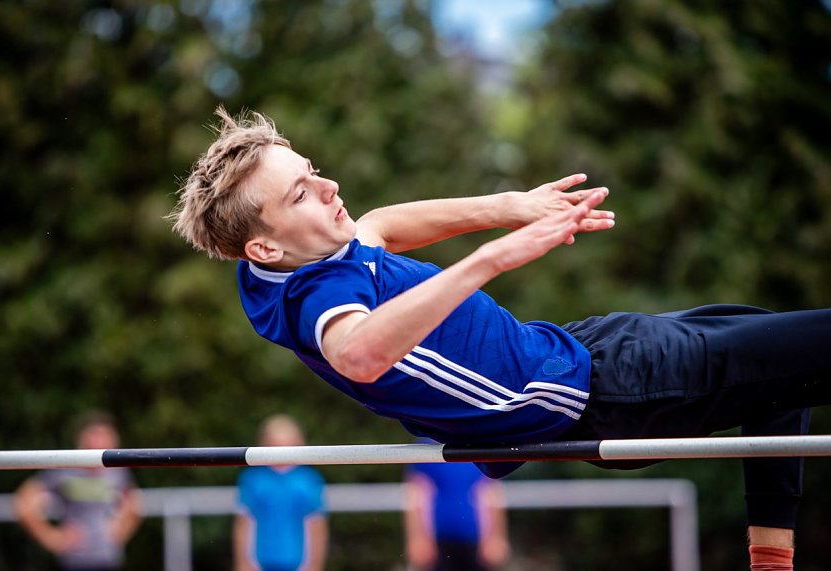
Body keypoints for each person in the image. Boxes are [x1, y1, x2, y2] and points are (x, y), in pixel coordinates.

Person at [169, 107, 831, 571]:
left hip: (580, 348)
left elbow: (382, 224)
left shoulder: (294, 259)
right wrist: (493, 256)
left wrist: (509, 203)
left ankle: (770, 558)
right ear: (263, 242)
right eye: (302, 194)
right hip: (605, 391)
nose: (330, 187)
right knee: (805, 349)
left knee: (766, 347)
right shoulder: (321, 296)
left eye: (313, 170)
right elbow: (361, 353)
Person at [13, 410, 142, 571]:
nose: (101, 441)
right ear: (83, 438)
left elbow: (135, 506)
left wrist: (119, 532)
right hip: (74, 560)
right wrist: (51, 538)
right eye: (95, 435)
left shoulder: (118, 472)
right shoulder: (65, 468)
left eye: (106, 435)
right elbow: (24, 501)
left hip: (108, 558)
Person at [233, 414, 328, 571]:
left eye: (286, 447)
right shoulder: (253, 479)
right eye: (276, 446)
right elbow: (244, 523)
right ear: (265, 445)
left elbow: (316, 524)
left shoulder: (308, 479)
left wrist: (314, 564)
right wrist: (244, 563)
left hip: (298, 561)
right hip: (260, 562)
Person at [404, 439, 510, 571]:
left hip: (475, 537)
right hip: (439, 537)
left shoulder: (480, 445)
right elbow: (417, 495)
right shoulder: (425, 447)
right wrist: (418, 538)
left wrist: (495, 537)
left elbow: (491, 493)